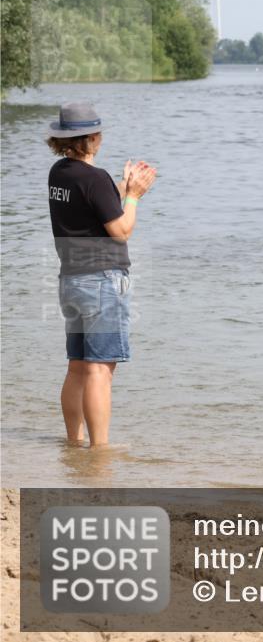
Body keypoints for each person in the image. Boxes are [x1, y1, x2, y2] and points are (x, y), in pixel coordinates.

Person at [45, 103, 157, 448]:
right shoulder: (94, 178)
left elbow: (91, 208)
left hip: (72, 281)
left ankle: (73, 443)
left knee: (77, 367)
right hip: (101, 281)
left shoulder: (58, 173)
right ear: (93, 137)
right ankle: (99, 451)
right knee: (99, 371)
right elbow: (121, 230)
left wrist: (120, 189)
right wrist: (135, 197)